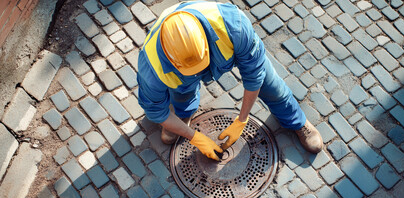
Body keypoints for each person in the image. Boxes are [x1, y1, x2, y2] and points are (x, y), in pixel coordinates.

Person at [137, 1, 323, 161]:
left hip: (226, 42)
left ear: (205, 39)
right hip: (176, 75)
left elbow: (254, 72)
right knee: (181, 92)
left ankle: (295, 120)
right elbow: (156, 111)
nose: (199, 72)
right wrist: (195, 138)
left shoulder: (234, 26)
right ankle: (182, 114)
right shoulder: (151, 68)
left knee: (271, 86)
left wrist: (242, 120)